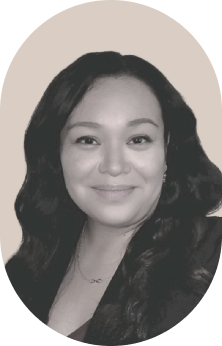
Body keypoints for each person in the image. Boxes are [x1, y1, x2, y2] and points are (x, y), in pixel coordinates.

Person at [4, 51, 222, 345]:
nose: (114, 166)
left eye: (138, 139)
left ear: (167, 150)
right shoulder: (25, 271)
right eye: (88, 140)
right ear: (57, 154)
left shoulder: (210, 252)